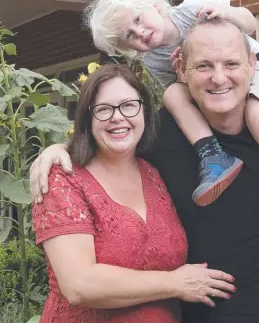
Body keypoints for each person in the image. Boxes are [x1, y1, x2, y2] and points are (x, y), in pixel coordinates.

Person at [31, 18, 259, 323]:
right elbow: (110, 140)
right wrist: (59, 151)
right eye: (203, 66)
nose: (218, 77)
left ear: (252, 66)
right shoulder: (160, 134)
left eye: (231, 64)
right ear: (182, 70)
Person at [84, 0, 259, 251]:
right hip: (210, 86)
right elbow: (186, 89)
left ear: (154, 6)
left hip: (252, 68)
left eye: (137, 20)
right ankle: (213, 155)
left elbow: (249, 20)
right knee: (172, 95)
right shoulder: (153, 60)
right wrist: (183, 70)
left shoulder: (191, 10)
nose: (140, 33)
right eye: (129, 36)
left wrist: (226, 13)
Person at [32, 63, 236, 323]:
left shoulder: (155, 171)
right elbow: (79, 284)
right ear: (87, 118)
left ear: (144, 112)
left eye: (129, 105)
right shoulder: (64, 177)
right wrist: (175, 283)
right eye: (104, 109)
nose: (118, 117)